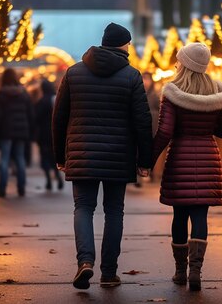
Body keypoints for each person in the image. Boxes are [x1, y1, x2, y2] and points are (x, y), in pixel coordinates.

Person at [52, 22, 153, 290]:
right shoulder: (132, 76)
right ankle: (109, 272)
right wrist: (145, 161)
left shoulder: (74, 73)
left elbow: (59, 118)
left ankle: (85, 262)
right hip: (118, 155)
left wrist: (60, 155)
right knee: (114, 211)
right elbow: (142, 120)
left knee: (83, 208)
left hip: (82, 152)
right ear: (124, 45)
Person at [152, 42, 222, 292]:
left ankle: (180, 271)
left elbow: (165, 132)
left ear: (184, 63)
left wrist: (146, 161)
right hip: (209, 159)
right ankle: (196, 271)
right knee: (201, 216)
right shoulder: (216, 93)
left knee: (179, 216)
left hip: (180, 161)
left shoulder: (173, 92)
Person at [0, 68, 34, 197]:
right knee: (20, 158)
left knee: (4, 158)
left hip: (6, 131)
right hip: (21, 130)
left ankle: (2, 189)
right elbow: (30, 114)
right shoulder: (24, 93)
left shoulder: (0, 95)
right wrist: (30, 131)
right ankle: (21, 188)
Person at [34, 79, 63, 191]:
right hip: (55, 133)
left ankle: (48, 181)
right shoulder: (57, 99)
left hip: (43, 134)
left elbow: (36, 118)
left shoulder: (41, 101)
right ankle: (58, 176)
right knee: (54, 157)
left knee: (45, 157)